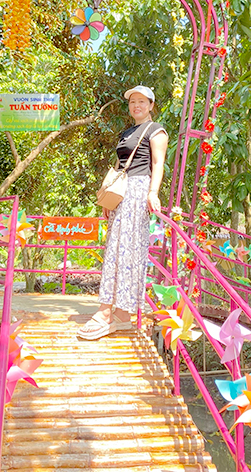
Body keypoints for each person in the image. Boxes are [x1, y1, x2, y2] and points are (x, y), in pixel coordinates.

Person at [77, 85, 168, 340]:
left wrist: (153, 192)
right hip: (121, 191)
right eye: (132, 102)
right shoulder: (127, 133)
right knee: (115, 248)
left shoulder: (156, 130)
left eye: (141, 101)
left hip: (138, 190)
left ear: (151, 105)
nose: (136, 106)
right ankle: (120, 315)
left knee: (128, 250)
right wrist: (109, 200)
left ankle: (108, 311)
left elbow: (158, 163)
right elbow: (119, 166)